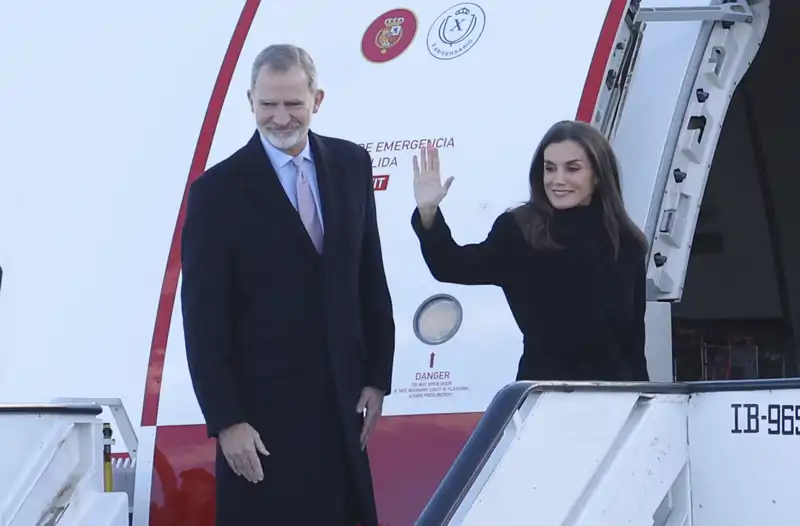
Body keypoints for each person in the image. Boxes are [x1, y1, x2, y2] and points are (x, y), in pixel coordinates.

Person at [180, 43, 395, 526]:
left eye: (293, 103)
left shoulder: (352, 166)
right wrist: (227, 422)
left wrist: (377, 376)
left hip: (341, 414)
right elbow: (203, 319)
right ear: (250, 102)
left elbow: (369, 276)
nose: (280, 117)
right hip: (263, 426)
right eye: (268, 104)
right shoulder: (217, 192)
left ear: (316, 100)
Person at [410, 120, 650, 382]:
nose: (558, 180)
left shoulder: (626, 242)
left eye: (572, 168)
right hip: (544, 397)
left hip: (613, 401)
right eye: (550, 169)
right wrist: (428, 212)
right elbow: (450, 266)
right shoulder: (521, 231)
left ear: (598, 174)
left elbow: (634, 341)